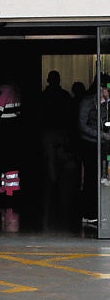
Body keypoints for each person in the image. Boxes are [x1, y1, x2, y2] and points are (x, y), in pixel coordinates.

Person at [76, 74, 110, 227]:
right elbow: (82, 125)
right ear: (101, 89)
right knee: (91, 179)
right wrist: (101, 134)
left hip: (103, 144)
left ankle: (99, 212)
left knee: (103, 179)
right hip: (90, 144)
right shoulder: (88, 102)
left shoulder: (107, 105)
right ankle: (89, 213)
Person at [39, 71, 73, 187]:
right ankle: (60, 184)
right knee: (63, 160)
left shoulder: (44, 96)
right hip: (61, 131)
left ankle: (53, 183)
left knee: (51, 160)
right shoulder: (64, 95)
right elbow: (70, 115)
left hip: (48, 132)